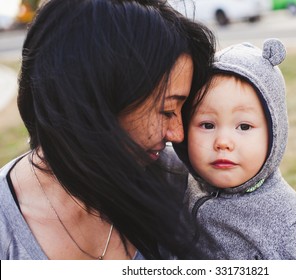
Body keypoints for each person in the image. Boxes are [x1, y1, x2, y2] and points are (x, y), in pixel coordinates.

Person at [0, 0, 215, 260]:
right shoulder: (7, 226)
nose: (177, 134)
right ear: (94, 99)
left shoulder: (187, 185)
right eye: (166, 111)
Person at [173, 39, 296, 259]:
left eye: (244, 126)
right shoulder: (180, 182)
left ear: (274, 133)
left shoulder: (288, 221)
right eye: (207, 125)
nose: (223, 142)